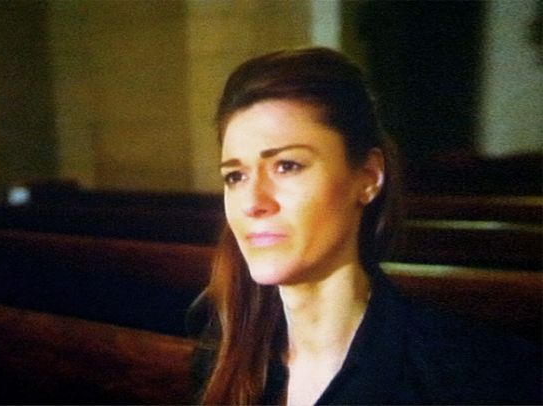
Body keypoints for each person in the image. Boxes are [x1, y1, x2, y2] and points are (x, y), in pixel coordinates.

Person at [187, 47, 541, 405]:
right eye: (235, 176)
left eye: (287, 166)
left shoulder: (472, 376)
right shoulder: (223, 360)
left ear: (369, 177)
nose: (253, 202)